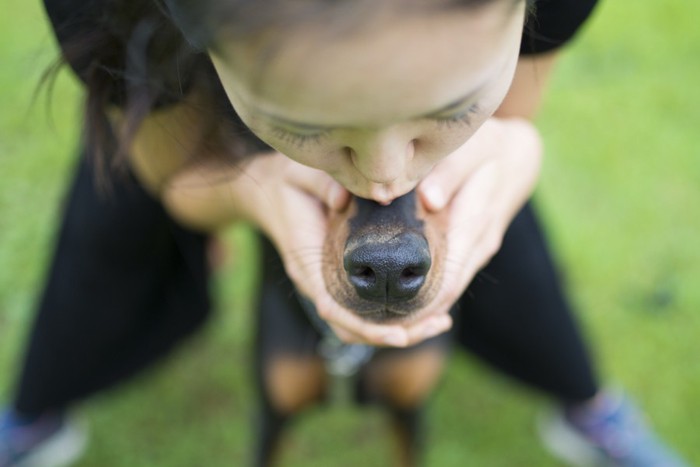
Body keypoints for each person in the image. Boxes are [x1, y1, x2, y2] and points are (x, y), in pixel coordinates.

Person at [0, 0, 688, 465]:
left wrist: (513, 151)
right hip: (172, 73)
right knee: (114, 207)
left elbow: (511, 120)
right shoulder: (110, 8)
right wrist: (246, 185)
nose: (383, 181)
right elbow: (169, 174)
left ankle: (584, 398)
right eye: (306, 125)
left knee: (478, 206)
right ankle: (37, 405)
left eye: (447, 106)